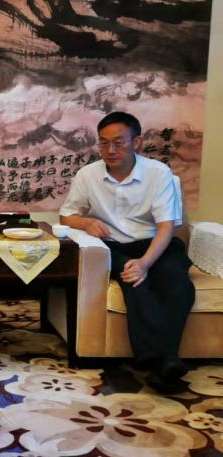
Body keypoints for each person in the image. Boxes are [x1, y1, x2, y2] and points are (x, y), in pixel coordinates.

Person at [59, 111, 194, 393]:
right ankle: (166, 361)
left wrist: (145, 262)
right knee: (134, 282)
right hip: (114, 246)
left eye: (118, 143)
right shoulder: (88, 175)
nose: (110, 150)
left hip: (156, 244)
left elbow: (166, 227)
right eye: (104, 143)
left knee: (178, 282)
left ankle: (158, 361)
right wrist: (87, 222)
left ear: (137, 142)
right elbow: (67, 216)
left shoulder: (158, 173)